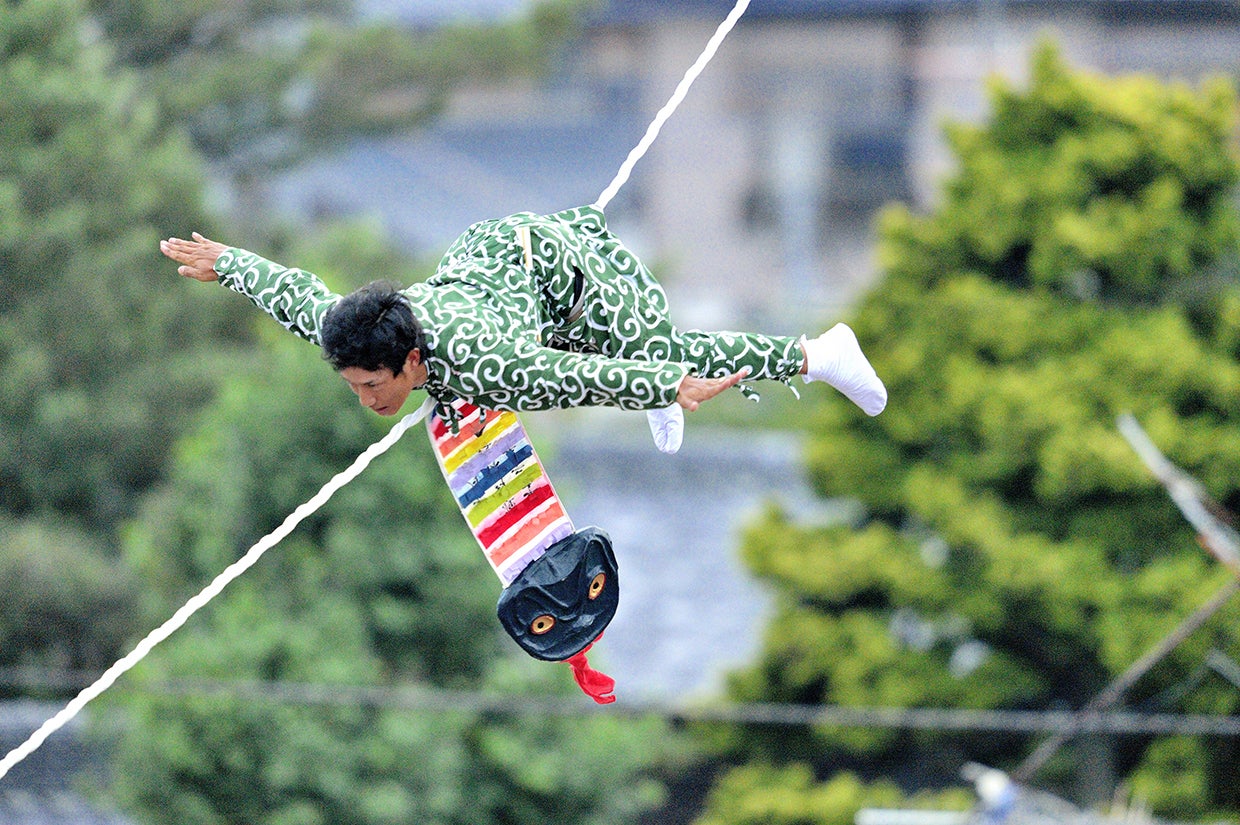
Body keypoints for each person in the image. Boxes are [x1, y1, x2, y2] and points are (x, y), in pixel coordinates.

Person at [161, 204, 886, 449]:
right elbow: (298, 294)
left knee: (661, 350)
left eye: (372, 386)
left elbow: (576, 374)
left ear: (411, 362)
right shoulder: (355, 329)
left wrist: (666, 384)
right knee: (642, 364)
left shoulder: (494, 367)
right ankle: (661, 388)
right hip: (491, 270)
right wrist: (230, 263)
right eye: (354, 386)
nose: (366, 399)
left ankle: (818, 353)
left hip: (559, 274)